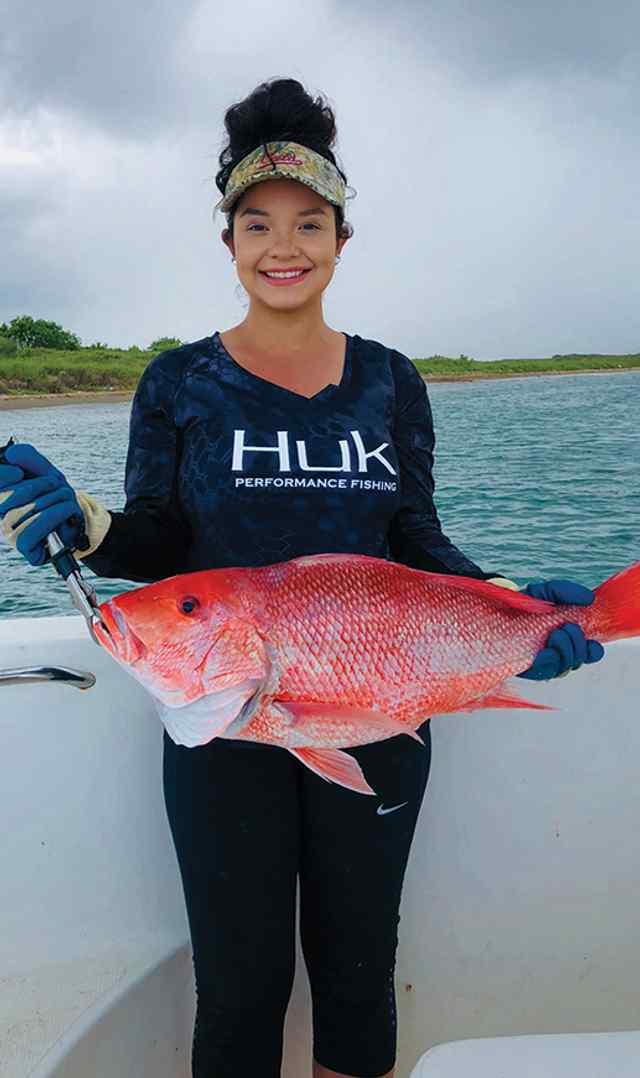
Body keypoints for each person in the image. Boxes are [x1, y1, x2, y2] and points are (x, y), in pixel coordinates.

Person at [0, 77, 604, 1078]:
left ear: (340, 239)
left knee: (359, 976)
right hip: (223, 723)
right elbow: (158, 540)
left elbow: (415, 538)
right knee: (239, 987)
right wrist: (87, 525)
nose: (284, 246)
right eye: (258, 224)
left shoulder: (390, 380)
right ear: (229, 241)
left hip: (380, 711)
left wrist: (514, 606)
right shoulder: (177, 381)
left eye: (309, 223)